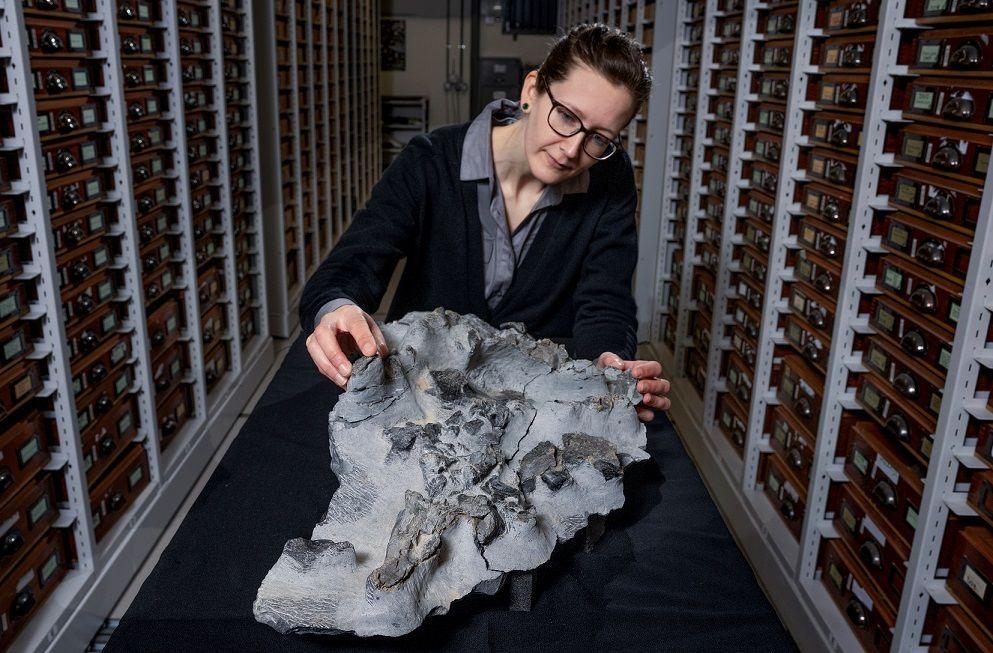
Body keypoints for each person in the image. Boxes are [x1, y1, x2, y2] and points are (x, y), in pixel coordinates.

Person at [301, 23, 671, 422]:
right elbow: (350, 268)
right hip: (423, 398)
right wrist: (336, 311)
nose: (571, 149)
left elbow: (605, 300)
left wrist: (609, 363)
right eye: (566, 116)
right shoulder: (430, 161)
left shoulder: (610, 178)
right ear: (532, 90)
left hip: (534, 408)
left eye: (599, 138)